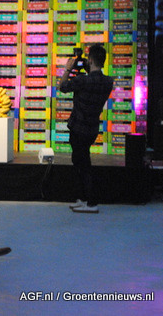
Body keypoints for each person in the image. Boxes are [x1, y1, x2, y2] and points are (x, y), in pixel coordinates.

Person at [59, 44, 114, 213]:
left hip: (78, 127)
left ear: (90, 60)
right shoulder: (108, 81)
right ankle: (83, 199)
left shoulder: (82, 80)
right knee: (81, 162)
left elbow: (63, 86)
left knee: (83, 165)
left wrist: (68, 69)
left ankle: (91, 202)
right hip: (92, 128)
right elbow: (92, 81)